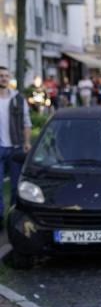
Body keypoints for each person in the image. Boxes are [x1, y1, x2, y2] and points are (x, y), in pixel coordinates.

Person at [0, 66, 32, 229]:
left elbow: (26, 123)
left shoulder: (18, 99)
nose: (3, 78)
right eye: (0, 76)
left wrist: (27, 142)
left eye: (6, 76)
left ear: (9, 78)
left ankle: (12, 218)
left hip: (15, 147)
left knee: (15, 187)